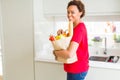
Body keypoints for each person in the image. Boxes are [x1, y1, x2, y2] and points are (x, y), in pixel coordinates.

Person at [53, 0, 89, 80]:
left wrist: (55, 52)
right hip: (76, 68)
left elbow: (69, 54)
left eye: (72, 12)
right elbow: (68, 43)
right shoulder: (73, 27)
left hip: (77, 69)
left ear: (80, 12)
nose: (69, 15)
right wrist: (61, 35)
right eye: (68, 12)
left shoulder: (79, 29)